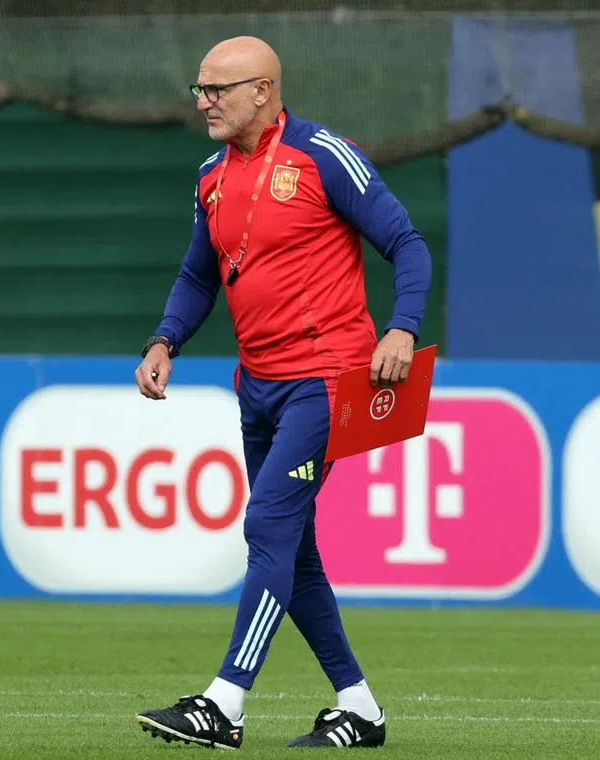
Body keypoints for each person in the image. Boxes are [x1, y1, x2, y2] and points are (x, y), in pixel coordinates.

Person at [132, 36, 432, 750]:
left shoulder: (325, 154)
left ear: (263, 90)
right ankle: (359, 709)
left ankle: (223, 704)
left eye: (218, 89)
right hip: (257, 384)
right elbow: (199, 274)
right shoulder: (210, 175)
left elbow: (408, 244)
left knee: (267, 525)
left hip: (330, 379)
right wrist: (164, 339)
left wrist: (402, 330)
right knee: (292, 549)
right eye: (200, 89)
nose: (203, 101)